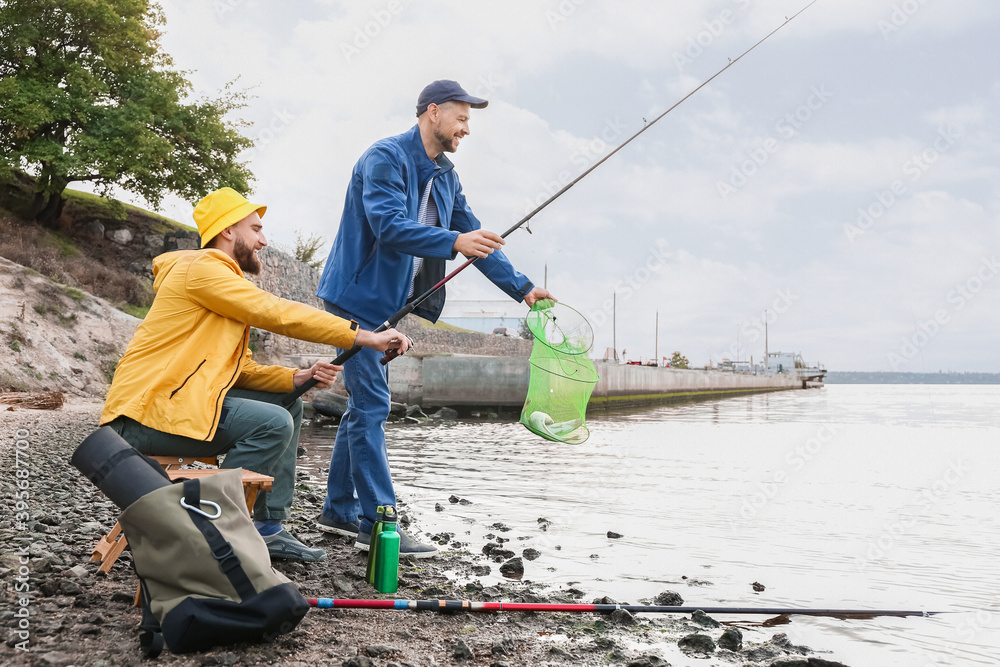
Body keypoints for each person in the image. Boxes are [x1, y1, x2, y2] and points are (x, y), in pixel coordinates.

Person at [100, 187, 410, 562]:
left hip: (169, 408)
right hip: (144, 415)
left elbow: (240, 368)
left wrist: (297, 378)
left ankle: (267, 527)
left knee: (288, 406)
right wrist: (365, 336)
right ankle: (215, 531)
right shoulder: (201, 270)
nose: (263, 240)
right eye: (256, 229)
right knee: (273, 423)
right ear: (228, 231)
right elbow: (275, 311)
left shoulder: (218, 284)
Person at [314, 80, 554, 557]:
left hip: (388, 308)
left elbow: (475, 238)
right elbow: (388, 226)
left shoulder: (446, 176)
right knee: (374, 405)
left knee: (364, 404)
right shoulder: (384, 157)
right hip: (353, 298)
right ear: (433, 112)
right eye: (461, 118)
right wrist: (452, 241)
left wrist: (523, 289)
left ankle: (338, 509)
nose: (466, 129)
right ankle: (378, 521)